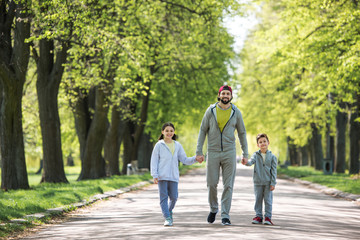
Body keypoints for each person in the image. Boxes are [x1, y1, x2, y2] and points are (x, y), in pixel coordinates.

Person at [196, 85, 249, 226]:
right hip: (212, 152)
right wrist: (198, 151)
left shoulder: (236, 112)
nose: (225, 96)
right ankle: (214, 209)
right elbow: (202, 131)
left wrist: (245, 153)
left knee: (228, 185)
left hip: (229, 152)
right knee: (211, 184)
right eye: (223, 93)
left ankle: (225, 215)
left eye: (228, 94)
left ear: (231, 96)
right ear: (219, 95)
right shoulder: (211, 110)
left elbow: (242, 133)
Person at [151, 122, 203, 227]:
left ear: (174, 132)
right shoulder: (159, 145)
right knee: (163, 198)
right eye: (167, 131)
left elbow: (184, 159)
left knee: (174, 197)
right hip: (162, 176)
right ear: (163, 132)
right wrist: (155, 175)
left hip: (173, 176)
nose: (169, 133)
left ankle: (169, 211)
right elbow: (154, 160)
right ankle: (167, 218)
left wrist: (195, 159)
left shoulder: (177, 145)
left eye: (171, 131)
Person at [242, 133, 277, 225]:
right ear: (258, 145)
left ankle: (268, 217)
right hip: (258, 182)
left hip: (268, 182)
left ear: (268, 142)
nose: (263, 143)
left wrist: (273, 183)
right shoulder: (256, 155)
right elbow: (250, 162)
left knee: (268, 201)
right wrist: (245, 162)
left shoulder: (272, 157)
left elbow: (274, 171)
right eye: (260, 142)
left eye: (264, 141)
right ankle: (258, 216)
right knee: (258, 200)